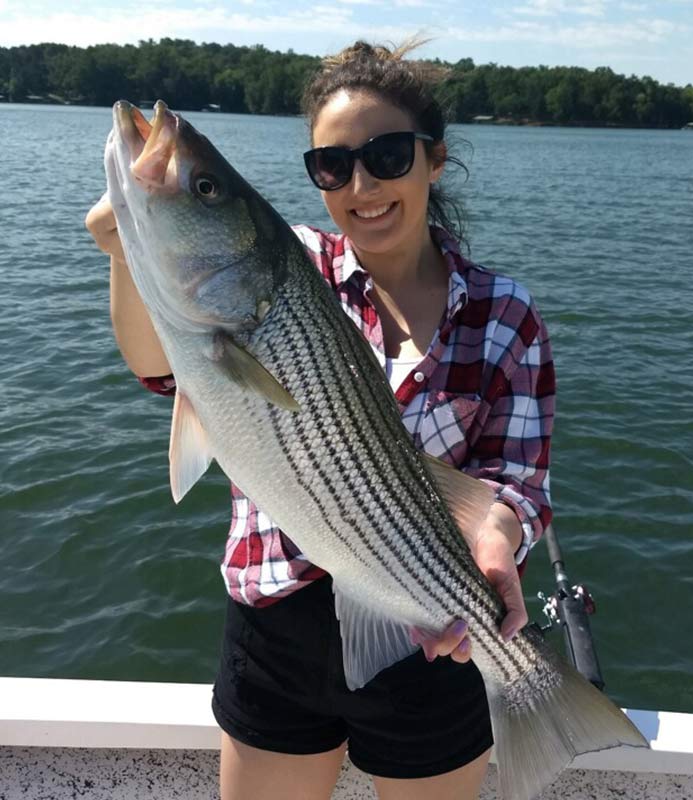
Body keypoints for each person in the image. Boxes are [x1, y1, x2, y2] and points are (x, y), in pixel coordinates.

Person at [86, 39, 555, 800]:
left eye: (389, 155)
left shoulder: (506, 314)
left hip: (429, 632)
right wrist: (125, 252)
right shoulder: (292, 264)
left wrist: (498, 533)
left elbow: (518, 480)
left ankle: (539, 701)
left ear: (434, 160)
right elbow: (159, 370)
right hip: (273, 626)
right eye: (332, 166)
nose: (362, 184)